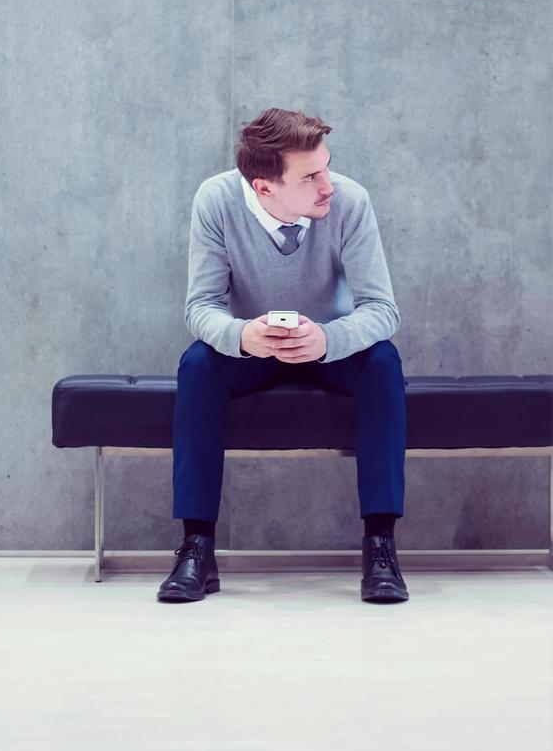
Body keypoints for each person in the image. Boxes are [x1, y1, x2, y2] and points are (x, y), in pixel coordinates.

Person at [158, 107, 409, 604]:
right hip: (252, 345)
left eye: (327, 167)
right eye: (311, 176)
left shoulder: (350, 202)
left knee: (383, 363)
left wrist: (329, 340)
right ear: (264, 188)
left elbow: (383, 309)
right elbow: (201, 307)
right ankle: (196, 548)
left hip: (329, 344)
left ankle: (381, 546)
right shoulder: (216, 200)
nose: (328, 185)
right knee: (197, 365)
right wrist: (241, 336)